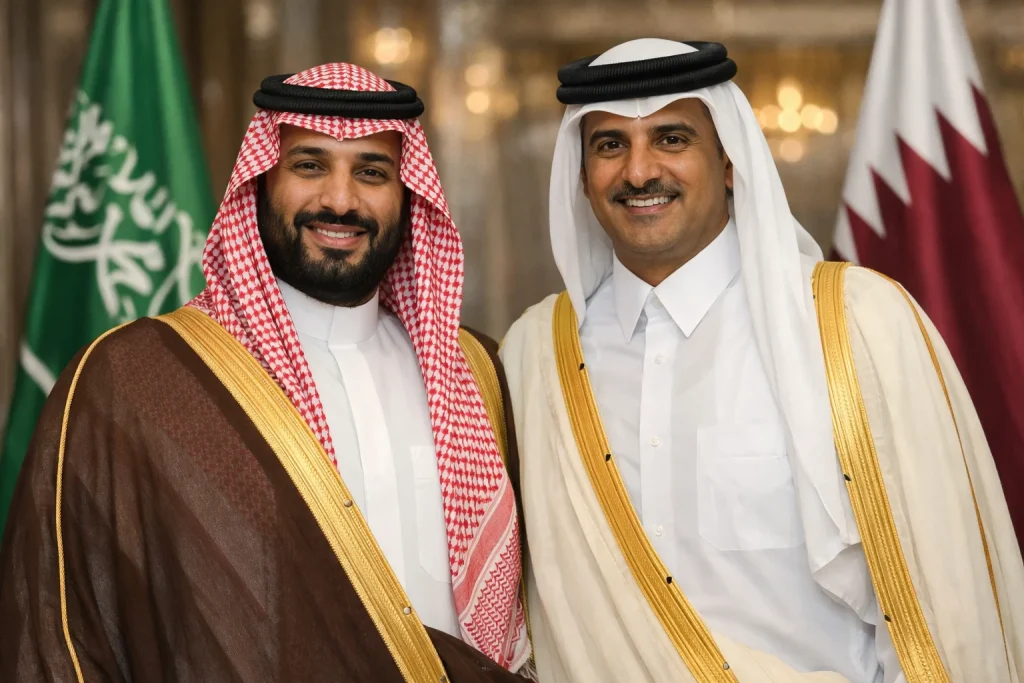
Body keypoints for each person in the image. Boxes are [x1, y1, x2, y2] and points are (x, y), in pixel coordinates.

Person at [499, 38, 1024, 682]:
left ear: (729, 162)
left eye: (671, 138)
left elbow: (943, 593)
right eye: (610, 145)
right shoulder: (535, 356)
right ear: (580, 177)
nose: (638, 173)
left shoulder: (855, 325)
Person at [0, 63, 531, 682]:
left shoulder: (475, 371)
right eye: (309, 166)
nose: (340, 200)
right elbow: (60, 627)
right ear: (260, 182)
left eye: (371, 172)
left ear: (409, 195)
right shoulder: (139, 380)